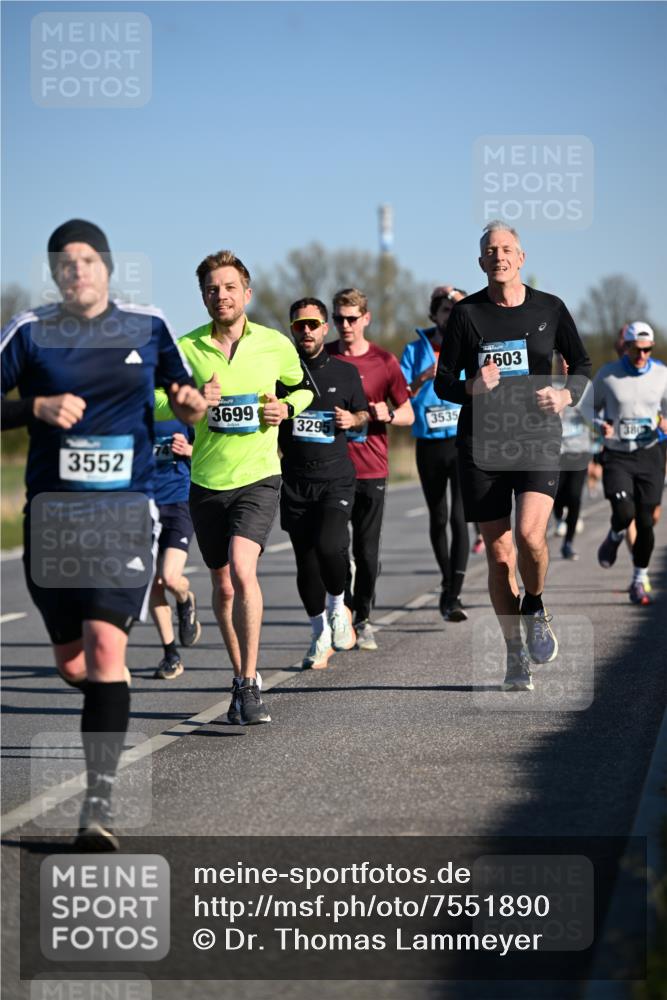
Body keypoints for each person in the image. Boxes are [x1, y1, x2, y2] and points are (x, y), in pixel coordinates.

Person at [1, 219, 207, 849]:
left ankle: (98, 803)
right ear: (55, 274)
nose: (77, 270)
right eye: (65, 263)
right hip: (53, 521)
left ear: (108, 267)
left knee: (105, 649)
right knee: (74, 663)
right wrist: (33, 408)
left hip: (125, 515)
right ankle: (103, 695)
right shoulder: (30, 331)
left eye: (88, 259)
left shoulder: (148, 325)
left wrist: (192, 405)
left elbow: (184, 392)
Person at [155, 250, 313, 723]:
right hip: (205, 481)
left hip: (259, 477)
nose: (220, 295)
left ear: (247, 293)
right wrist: (191, 400)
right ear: (203, 297)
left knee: (244, 570)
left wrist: (287, 409)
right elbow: (154, 399)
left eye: (228, 287)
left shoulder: (274, 344)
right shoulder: (185, 348)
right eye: (211, 289)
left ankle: (248, 684)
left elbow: (303, 388)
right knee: (222, 586)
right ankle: (239, 676)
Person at [434, 220, 591, 692]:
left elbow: (582, 365)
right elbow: (444, 382)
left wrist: (564, 396)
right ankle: (514, 653)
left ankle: (536, 603)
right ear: (480, 262)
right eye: (490, 251)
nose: (498, 256)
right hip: (482, 445)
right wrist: (472, 386)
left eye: (506, 249)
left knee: (530, 536)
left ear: (521, 258)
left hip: (537, 438)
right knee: (501, 559)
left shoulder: (550, 308)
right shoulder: (467, 314)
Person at [278, 298, 368, 668]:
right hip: (296, 480)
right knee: (306, 563)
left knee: (330, 546)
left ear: (324, 328)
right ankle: (319, 634)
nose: (306, 331)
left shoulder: (345, 372)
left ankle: (338, 608)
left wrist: (353, 419)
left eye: (313, 325)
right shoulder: (279, 375)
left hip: (334, 478)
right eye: (299, 325)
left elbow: (363, 412)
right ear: (292, 330)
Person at [326, 287, 413, 650]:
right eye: (338, 319)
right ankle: (343, 613)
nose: (345, 325)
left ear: (366, 318)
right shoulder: (324, 357)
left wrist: (388, 414)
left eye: (351, 318)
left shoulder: (384, 361)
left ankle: (363, 618)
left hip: (372, 468)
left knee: (366, 553)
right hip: (332, 471)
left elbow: (408, 413)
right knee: (333, 548)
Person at [400, 284, 471, 621]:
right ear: (434, 315)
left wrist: (457, 296)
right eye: (445, 310)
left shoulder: (470, 347)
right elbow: (399, 396)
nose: (451, 315)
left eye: (457, 310)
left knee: (459, 518)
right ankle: (446, 581)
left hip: (461, 441)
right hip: (429, 445)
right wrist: (422, 378)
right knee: (439, 517)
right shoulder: (414, 351)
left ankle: (453, 595)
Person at [594, 321, 667, 605]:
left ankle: (639, 580)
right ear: (626, 347)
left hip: (649, 453)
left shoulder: (661, 374)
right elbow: (588, 407)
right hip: (618, 454)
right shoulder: (608, 374)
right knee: (625, 512)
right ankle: (615, 535)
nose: (642, 355)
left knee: (647, 521)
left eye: (648, 350)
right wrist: (600, 424)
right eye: (637, 349)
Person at [149, 416, 200, 679]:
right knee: (152, 583)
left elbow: (211, 448)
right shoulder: (132, 409)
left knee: (169, 578)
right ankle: (171, 655)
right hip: (143, 504)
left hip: (178, 501)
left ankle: (184, 598)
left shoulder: (181, 408)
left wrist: (190, 449)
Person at [551, 354, 594, 560]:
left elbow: (596, 417)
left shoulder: (586, 387)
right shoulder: (550, 386)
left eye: (569, 360)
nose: (565, 364)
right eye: (562, 360)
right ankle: (559, 516)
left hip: (579, 450)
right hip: (556, 451)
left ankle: (568, 543)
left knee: (575, 496)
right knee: (556, 494)